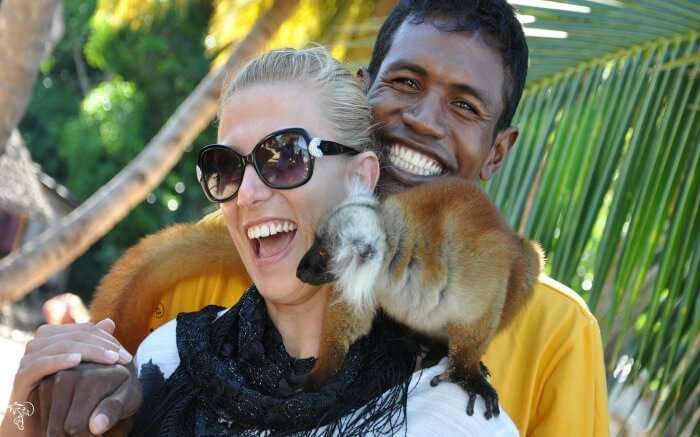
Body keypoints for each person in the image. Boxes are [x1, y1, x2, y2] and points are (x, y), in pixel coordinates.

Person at [7, 0, 610, 435]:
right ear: (364, 90)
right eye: (405, 82)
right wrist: (46, 401)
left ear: (498, 151)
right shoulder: (249, 249)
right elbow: (94, 400)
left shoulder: (544, 327)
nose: (425, 120)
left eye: (464, 105)